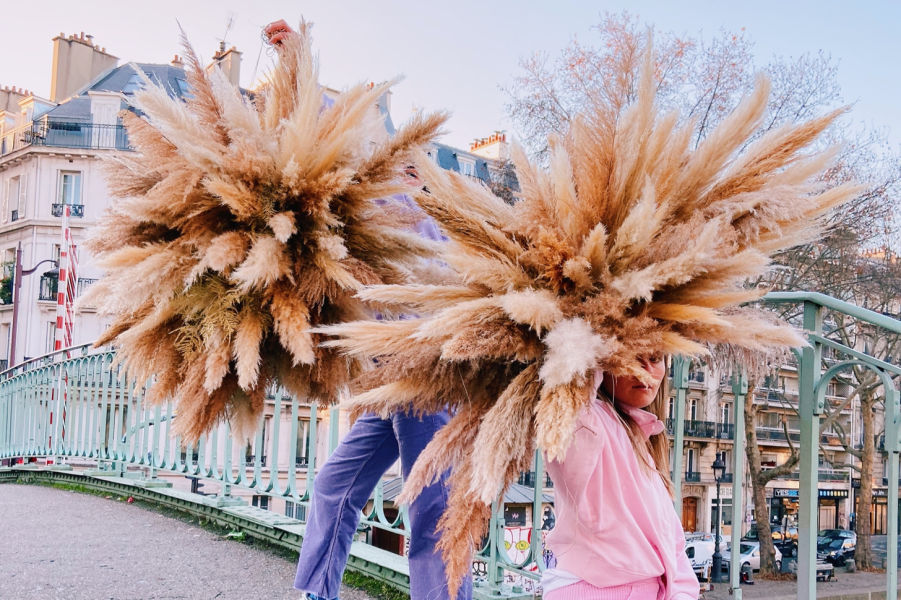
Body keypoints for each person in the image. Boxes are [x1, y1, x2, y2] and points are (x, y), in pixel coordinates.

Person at [262, 21, 472, 600]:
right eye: (408, 163)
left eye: (417, 166)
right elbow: (334, 129)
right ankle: (314, 591)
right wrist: (294, 61)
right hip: (390, 380)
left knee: (431, 508)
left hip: (427, 379)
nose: (411, 171)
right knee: (336, 485)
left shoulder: (426, 218)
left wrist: (295, 62)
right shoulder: (381, 191)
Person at [541, 355, 700, 600]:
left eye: (655, 358)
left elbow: (672, 546)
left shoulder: (642, 438)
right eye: (633, 357)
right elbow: (571, 400)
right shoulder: (586, 420)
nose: (646, 370)